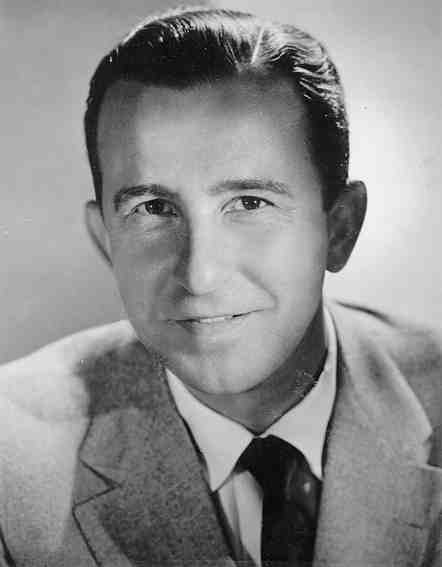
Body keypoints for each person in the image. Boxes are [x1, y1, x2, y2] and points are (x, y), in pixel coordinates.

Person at [0, 6, 440, 567]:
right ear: (106, 240)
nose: (199, 275)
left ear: (339, 228)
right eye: (153, 209)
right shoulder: (10, 460)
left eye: (249, 203)